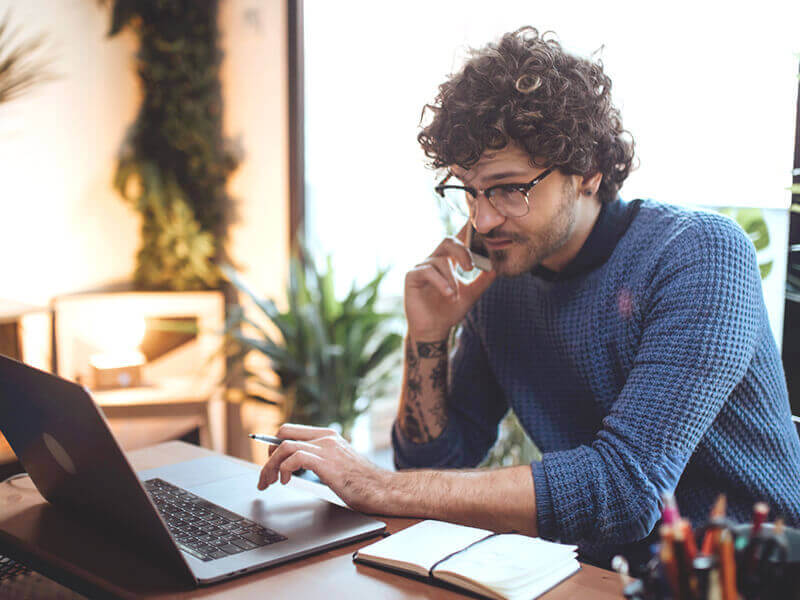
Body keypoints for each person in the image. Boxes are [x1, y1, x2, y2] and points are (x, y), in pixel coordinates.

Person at [257, 26, 800, 566]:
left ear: (587, 171)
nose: (482, 218)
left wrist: (372, 485)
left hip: (747, 573)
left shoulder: (698, 254)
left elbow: (625, 490)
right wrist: (427, 336)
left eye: (508, 189)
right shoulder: (505, 277)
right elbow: (440, 459)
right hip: (597, 575)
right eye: (467, 190)